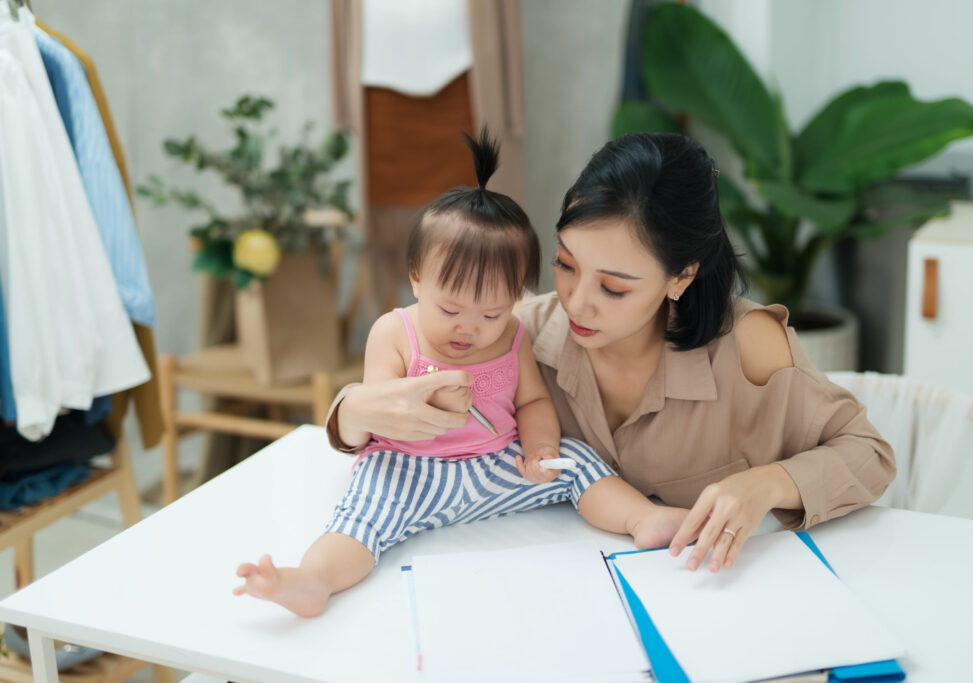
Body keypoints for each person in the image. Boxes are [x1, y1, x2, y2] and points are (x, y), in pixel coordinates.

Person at [328, 132, 897, 576]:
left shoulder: (748, 345)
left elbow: (869, 455)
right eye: (566, 264)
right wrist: (353, 411)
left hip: (720, 591)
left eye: (615, 287)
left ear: (681, 277)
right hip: (557, 593)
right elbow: (396, 427)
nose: (576, 302)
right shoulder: (518, 331)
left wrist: (767, 484)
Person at [234, 131, 687, 617]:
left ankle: (643, 518)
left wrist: (540, 449)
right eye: (449, 308)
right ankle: (312, 580)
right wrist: (421, 403)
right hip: (408, 472)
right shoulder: (395, 332)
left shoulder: (513, 337)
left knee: (576, 462)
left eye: (491, 313)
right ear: (415, 280)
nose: (470, 328)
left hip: (496, 467)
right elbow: (377, 406)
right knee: (360, 517)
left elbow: (533, 402)